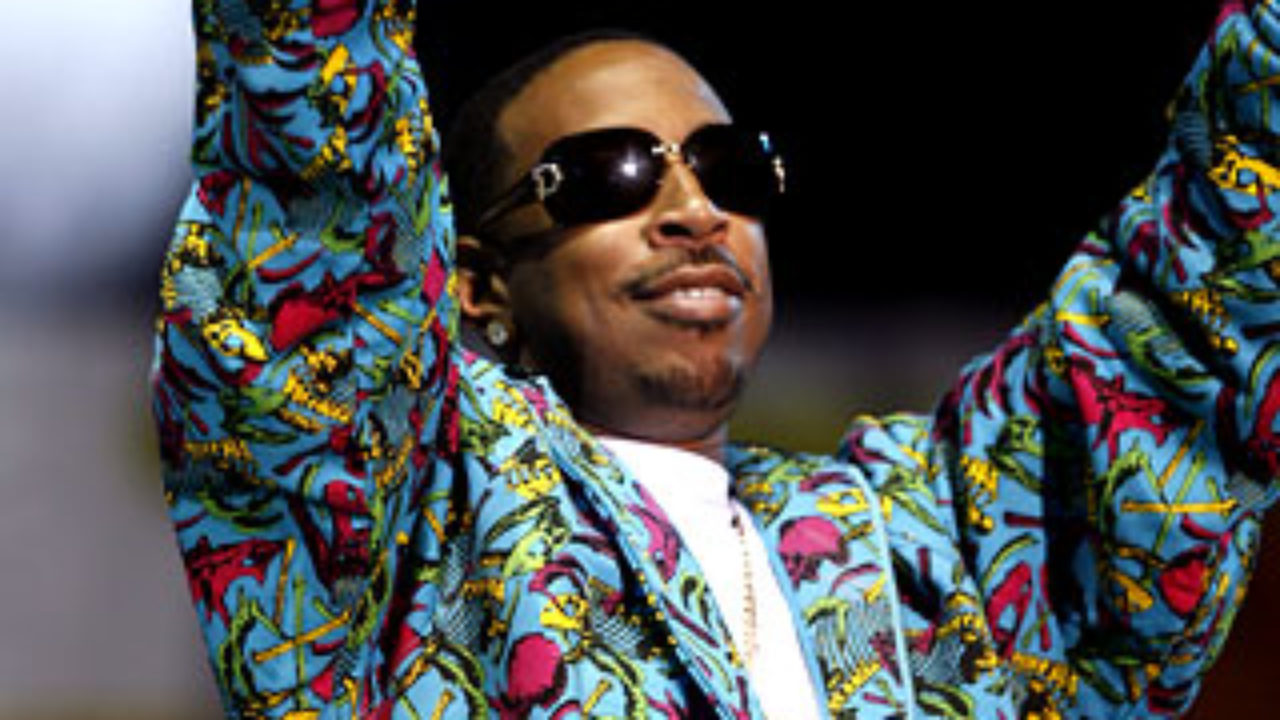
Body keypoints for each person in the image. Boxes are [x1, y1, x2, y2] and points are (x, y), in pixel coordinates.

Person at [151, 1, 1278, 718]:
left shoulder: (931, 545)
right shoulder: (413, 522)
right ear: (482, 282)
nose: (694, 211)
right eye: (611, 174)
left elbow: (1187, 313)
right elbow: (315, 199)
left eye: (729, 168)